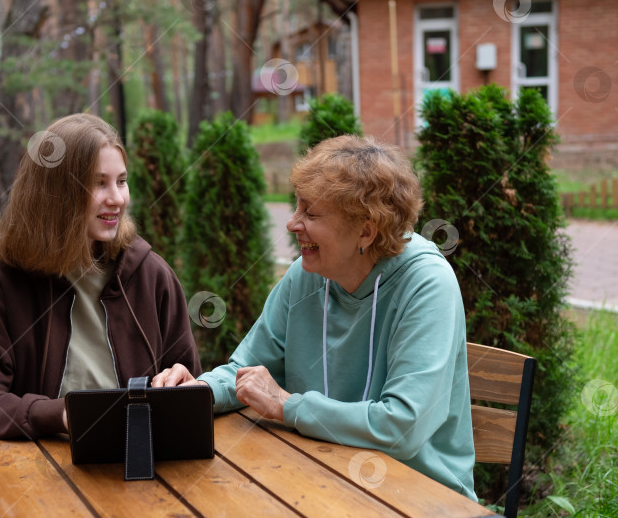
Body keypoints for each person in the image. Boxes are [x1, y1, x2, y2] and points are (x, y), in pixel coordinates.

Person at [153, 134, 476, 500]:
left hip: (419, 494)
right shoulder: (306, 274)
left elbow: (402, 427)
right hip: (320, 476)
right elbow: (247, 371)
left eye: (310, 212)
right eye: (296, 208)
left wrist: (287, 406)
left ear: (365, 231)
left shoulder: (426, 284)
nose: (292, 224)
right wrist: (198, 392)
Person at [0, 113, 201, 439]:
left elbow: (190, 380)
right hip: (35, 470)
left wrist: (185, 381)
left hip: (136, 461)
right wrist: (61, 415)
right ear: (56, 193)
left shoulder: (152, 275)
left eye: (121, 181)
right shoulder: (1, 285)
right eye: (98, 183)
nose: (117, 199)